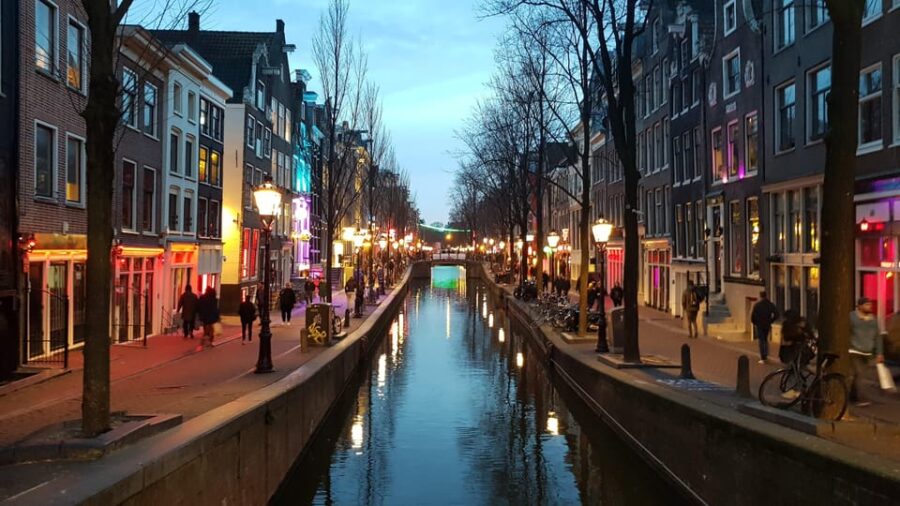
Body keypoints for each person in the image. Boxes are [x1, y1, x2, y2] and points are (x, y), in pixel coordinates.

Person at [848, 297, 885, 407]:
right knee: (859, 374)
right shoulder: (852, 317)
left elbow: (878, 337)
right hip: (854, 351)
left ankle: (851, 396)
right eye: (866, 305)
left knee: (857, 376)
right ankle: (858, 398)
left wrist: (879, 352)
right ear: (859, 306)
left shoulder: (873, 320)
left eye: (870, 305)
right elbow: (847, 332)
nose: (870, 307)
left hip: (867, 352)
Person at [750, 291, 779, 364]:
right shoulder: (770, 304)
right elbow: (776, 314)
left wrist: (755, 323)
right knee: (765, 339)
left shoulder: (757, 305)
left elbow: (753, 316)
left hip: (759, 324)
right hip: (767, 324)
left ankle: (763, 356)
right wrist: (771, 320)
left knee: (761, 340)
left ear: (760, 296)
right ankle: (766, 353)